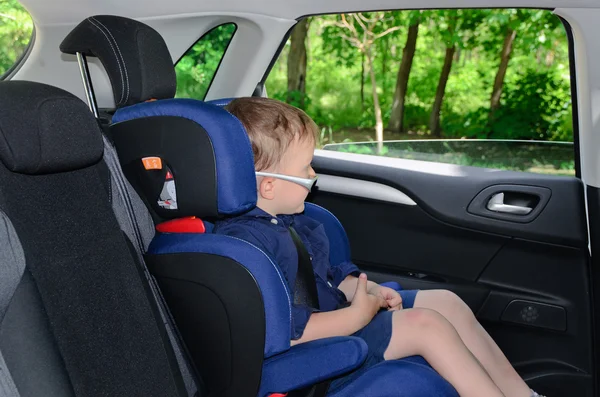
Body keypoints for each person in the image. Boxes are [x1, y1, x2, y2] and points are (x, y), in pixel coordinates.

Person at [214, 97, 543, 397]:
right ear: (269, 186)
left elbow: (325, 280)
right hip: (316, 356)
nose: (314, 175)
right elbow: (287, 334)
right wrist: (357, 315)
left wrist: (368, 289)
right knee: (426, 325)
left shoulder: (289, 222)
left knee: (447, 302)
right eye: (306, 170)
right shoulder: (246, 246)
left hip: (336, 322)